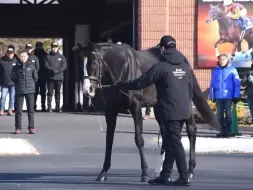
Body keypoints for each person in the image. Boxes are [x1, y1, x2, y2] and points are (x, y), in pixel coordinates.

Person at [113, 35, 193, 186]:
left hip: (170, 110)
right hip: (183, 110)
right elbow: (191, 88)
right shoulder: (185, 67)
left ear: (162, 48)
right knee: (170, 141)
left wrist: (122, 85)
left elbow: (141, 82)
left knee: (174, 142)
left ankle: (184, 176)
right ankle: (165, 176)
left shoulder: (160, 67)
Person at [209, 54, 241, 137]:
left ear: (227, 60)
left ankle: (229, 130)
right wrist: (211, 95)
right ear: (218, 60)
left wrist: (236, 95)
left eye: (223, 59)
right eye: (220, 59)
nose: (222, 61)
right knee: (219, 114)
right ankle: (221, 131)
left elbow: (237, 84)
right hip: (218, 97)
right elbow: (212, 84)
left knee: (228, 114)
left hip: (228, 96)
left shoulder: (232, 70)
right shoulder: (215, 71)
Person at [10, 50, 38, 134]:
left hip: (30, 91)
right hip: (19, 90)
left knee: (31, 111)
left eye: (24, 56)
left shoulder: (32, 66)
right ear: (19, 57)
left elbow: (35, 77)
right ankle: (18, 127)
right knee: (18, 111)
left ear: (27, 57)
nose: (22, 58)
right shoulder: (16, 66)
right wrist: (18, 80)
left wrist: (31, 83)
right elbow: (12, 76)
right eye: (21, 56)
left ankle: (31, 127)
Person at [45, 42, 67, 112]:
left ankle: (57, 107)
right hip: (50, 78)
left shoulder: (61, 57)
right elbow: (46, 65)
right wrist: (52, 70)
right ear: (51, 48)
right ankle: (49, 107)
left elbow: (64, 65)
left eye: (56, 47)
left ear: (57, 48)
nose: (54, 48)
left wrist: (58, 70)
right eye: (53, 47)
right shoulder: (48, 56)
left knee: (58, 92)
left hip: (59, 78)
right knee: (50, 93)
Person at [0, 45, 17, 116]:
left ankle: (10, 110)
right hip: (4, 83)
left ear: (13, 53)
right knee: (3, 97)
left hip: (13, 83)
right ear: (6, 53)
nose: (10, 54)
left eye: (11, 53)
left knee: (12, 97)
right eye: (9, 53)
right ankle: (1, 109)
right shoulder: (2, 60)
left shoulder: (16, 61)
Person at [34, 41, 48, 112]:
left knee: (38, 92)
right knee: (40, 92)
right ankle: (41, 107)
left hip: (40, 76)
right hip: (40, 76)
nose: (39, 47)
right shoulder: (45, 54)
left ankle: (39, 106)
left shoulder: (34, 54)